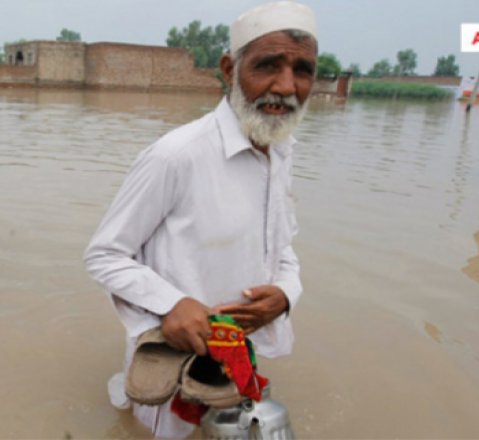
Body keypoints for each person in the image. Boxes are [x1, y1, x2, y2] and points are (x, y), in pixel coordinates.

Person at [83, 1, 317, 437]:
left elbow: (283, 246)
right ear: (229, 69)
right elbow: (104, 255)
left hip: (238, 353)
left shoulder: (282, 149)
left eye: (302, 70)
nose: (286, 86)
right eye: (268, 65)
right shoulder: (177, 155)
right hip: (175, 359)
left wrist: (285, 295)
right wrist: (172, 304)